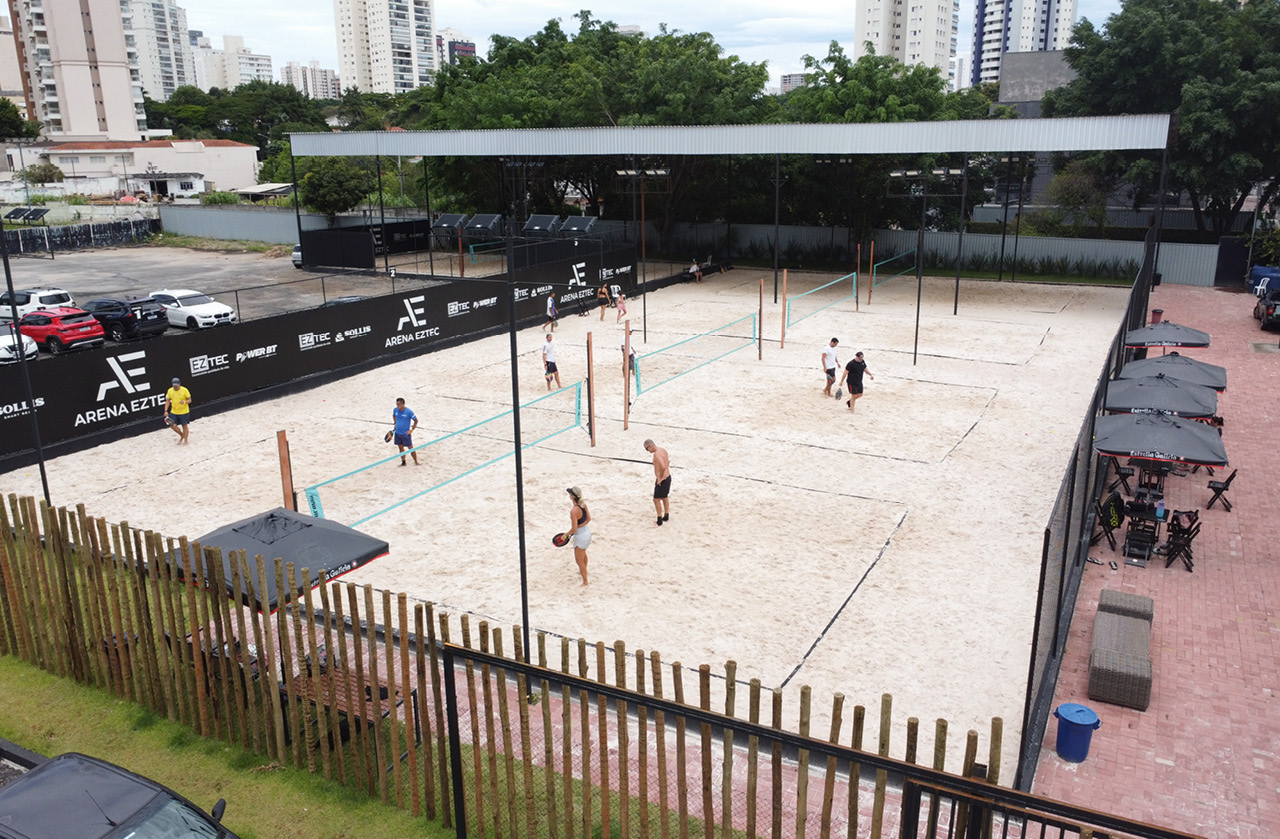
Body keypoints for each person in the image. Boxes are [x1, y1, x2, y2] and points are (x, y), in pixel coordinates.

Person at [565, 486, 591, 586]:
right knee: (583, 554)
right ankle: (584, 571)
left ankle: (585, 581)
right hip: (587, 532)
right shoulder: (584, 505)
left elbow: (574, 529)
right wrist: (582, 526)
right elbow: (589, 519)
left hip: (580, 535)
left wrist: (566, 535)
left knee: (579, 560)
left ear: (572, 497)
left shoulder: (574, 511)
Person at [644, 439, 671, 526]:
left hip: (662, 479)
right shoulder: (663, 450)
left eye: (647, 449)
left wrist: (660, 478)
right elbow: (667, 462)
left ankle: (659, 520)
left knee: (656, 499)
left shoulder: (656, 454)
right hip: (668, 477)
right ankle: (666, 515)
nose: (648, 451)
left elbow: (663, 466)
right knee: (664, 497)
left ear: (650, 446)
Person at [163, 377, 192, 445]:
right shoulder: (170, 390)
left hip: (183, 411)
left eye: (176, 385)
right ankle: (182, 435)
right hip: (174, 411)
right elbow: (167, 401)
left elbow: (190, 400)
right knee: (170, 424)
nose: (175, 387)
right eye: (174, 385)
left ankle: (186, 440)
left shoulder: (184, 390)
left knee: (184, 425)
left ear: (179, 384)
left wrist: (185, 402)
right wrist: (166, 410)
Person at [391, 397, 419, 465]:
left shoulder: (409, 412)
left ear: (403, 404)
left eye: (399, 404)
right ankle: (403, 462)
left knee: (411, 448)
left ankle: (416, 462)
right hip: (397, 433)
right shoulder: (395, 410)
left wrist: (411, 430)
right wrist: (395, 423)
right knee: (400, 448)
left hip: (405, 434)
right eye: (397, 404)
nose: (398, 406)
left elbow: (416, 421)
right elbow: (394, 415)